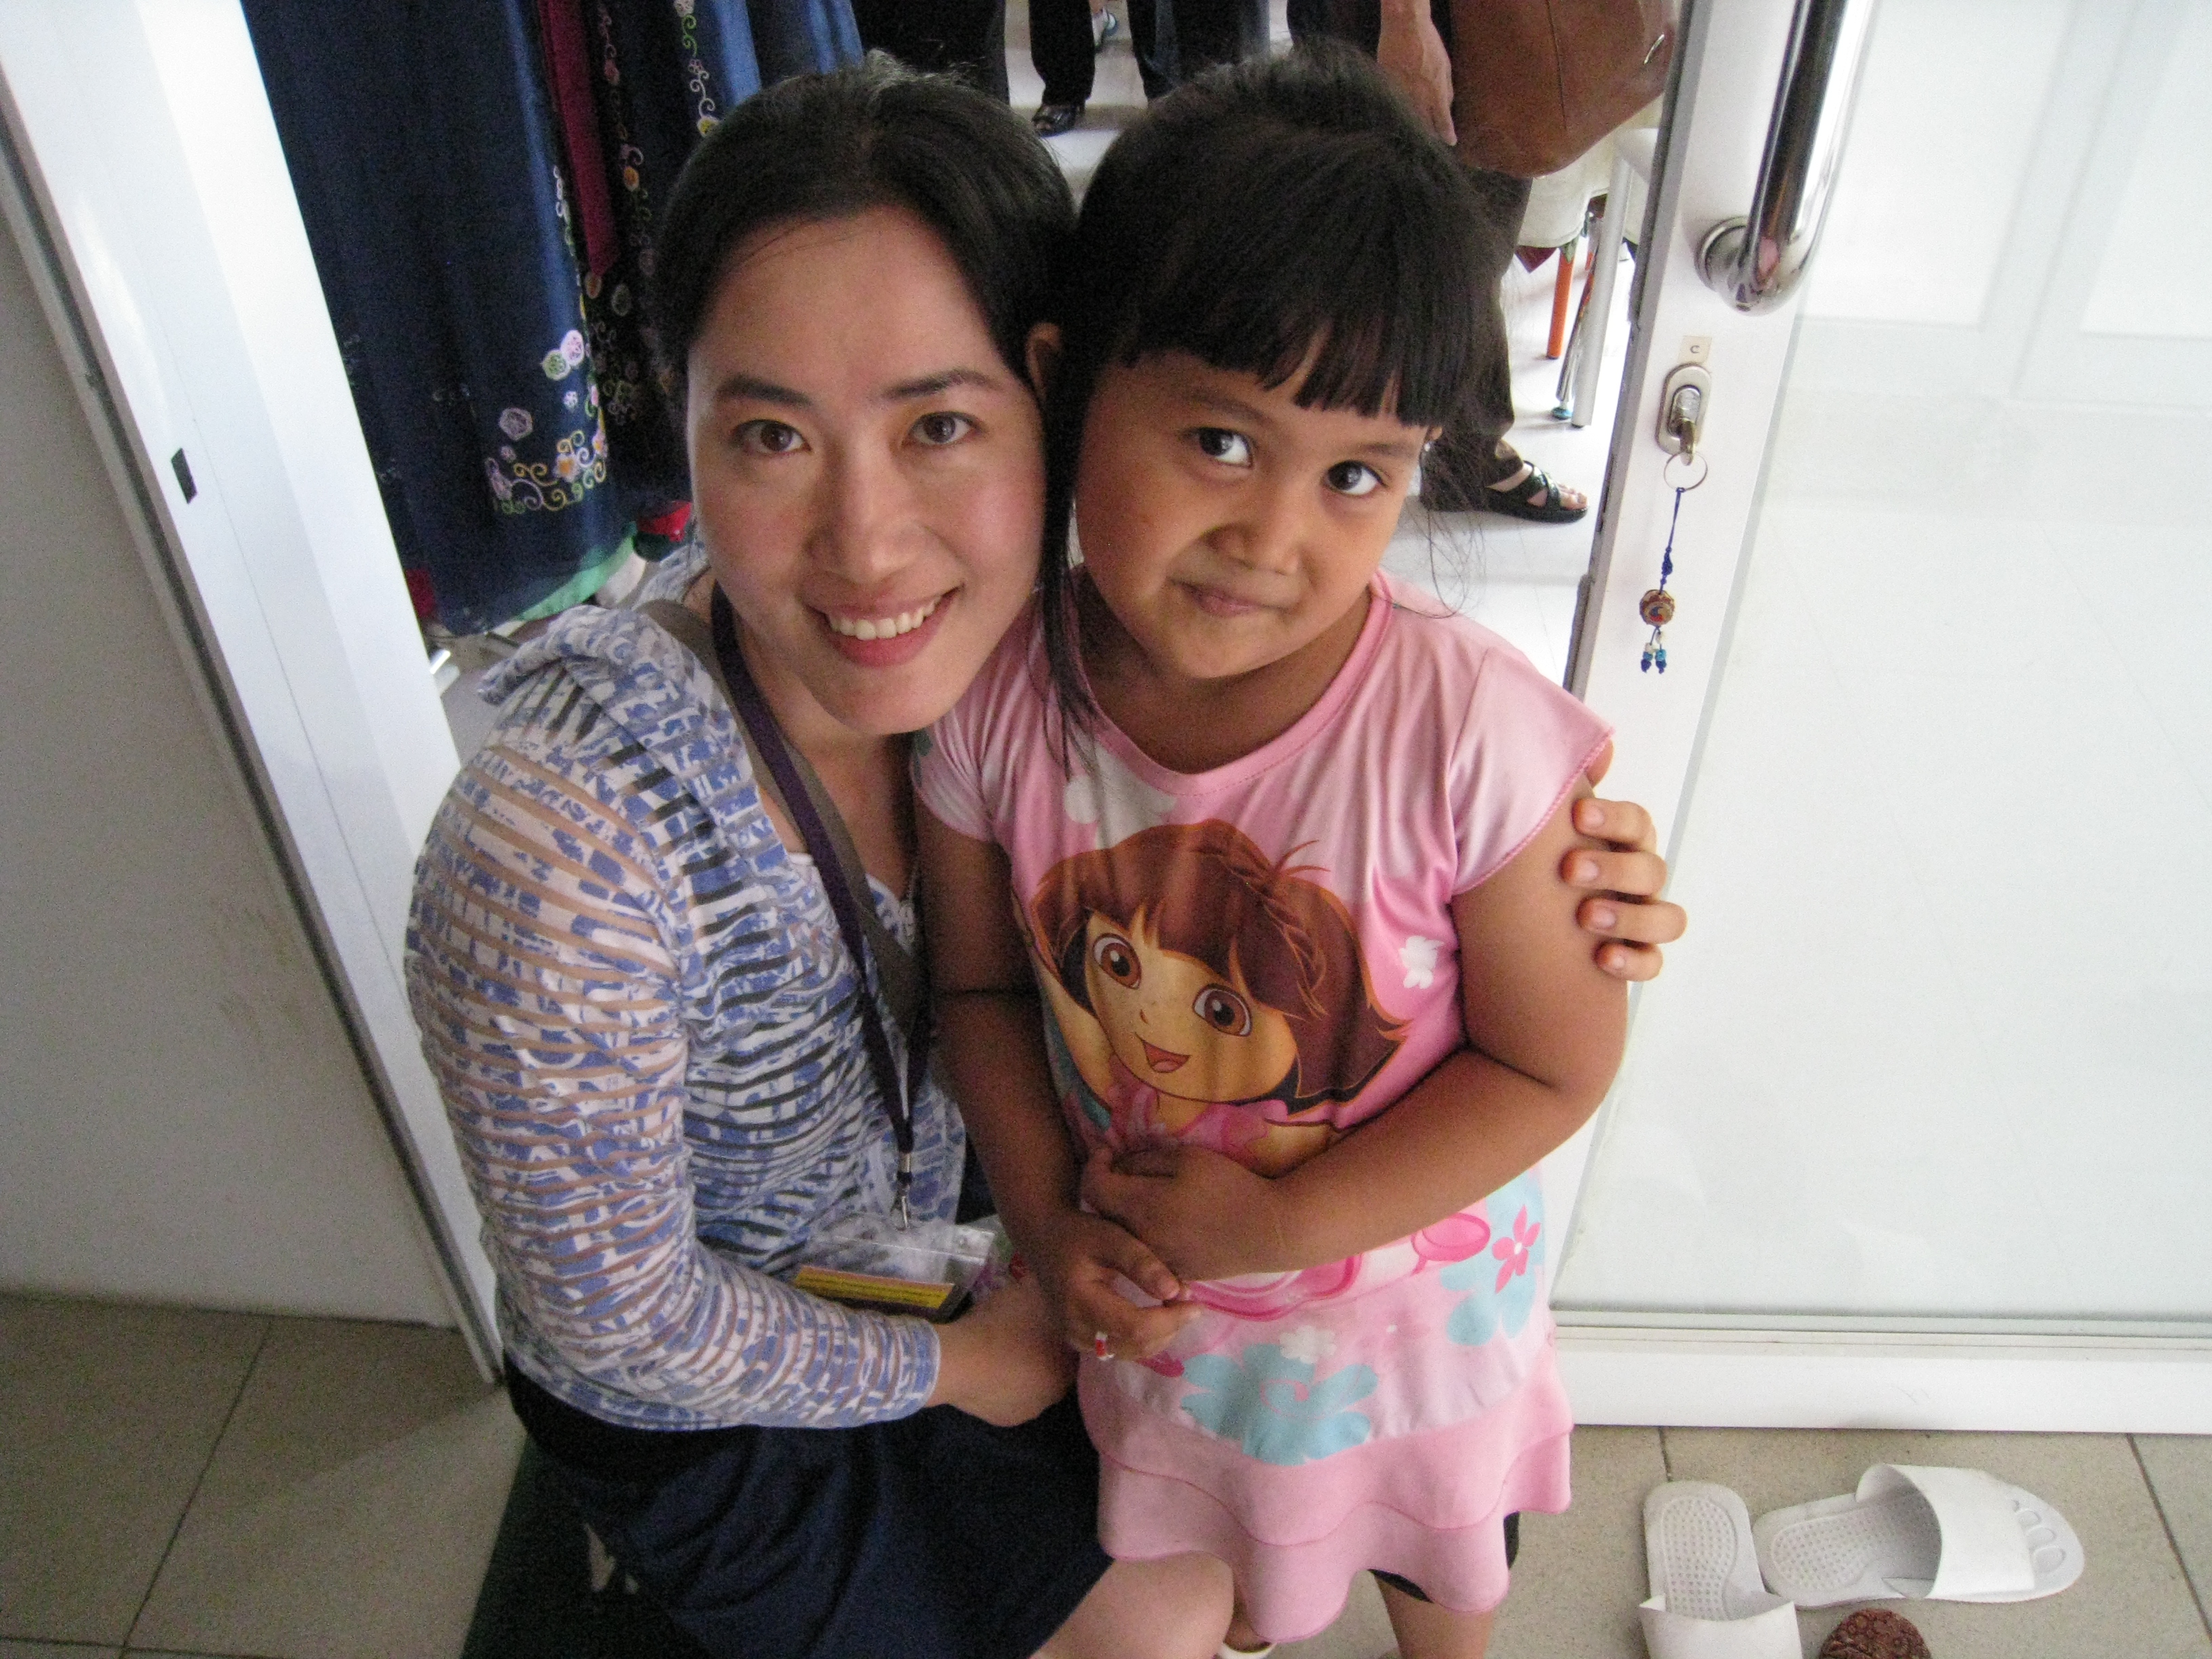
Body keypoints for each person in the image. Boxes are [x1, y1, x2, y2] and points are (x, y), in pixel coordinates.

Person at [406, 56, 1682, 1659]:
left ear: (1044, 405)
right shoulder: (571, 853)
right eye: (774, 435)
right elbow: (627, 1316)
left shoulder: (1048, 669)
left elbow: (1514, 1004)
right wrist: (978, 1345)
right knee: (1178, 1601)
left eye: (941, 423)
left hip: (1104, 1281)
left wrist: (1541, 866)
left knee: (1302, 1546)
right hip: (768, 1390)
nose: (868, 543)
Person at [916, 48, 1622, 1656]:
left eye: (1356, 474)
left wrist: (1291, 1227)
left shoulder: (1462, 728)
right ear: (1070, 381)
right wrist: (1050, 1223)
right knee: (1221, 1550)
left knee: (1444, 1566)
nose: (1273, 535)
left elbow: (1554, 1060)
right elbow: (975, 989)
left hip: (1412, 1329)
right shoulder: (997, 701)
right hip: (1166, 1324)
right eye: (1221, 442)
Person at [1292, 0, 1597, 521]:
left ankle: (1368, 451)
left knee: (1435, 253)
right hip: (1435, 23)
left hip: (1453, 24)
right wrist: (1406, 20)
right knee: (1435, 255)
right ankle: (1342, 452)